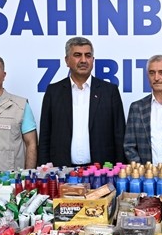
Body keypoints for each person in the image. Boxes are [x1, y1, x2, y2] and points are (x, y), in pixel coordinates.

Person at [39, 37, 126, 166]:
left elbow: (120, 136)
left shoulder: (109, 91)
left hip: (100, 172)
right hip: (63, 171)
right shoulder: (54, 92)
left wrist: (120, 170)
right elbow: (45, 136)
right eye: (77, 55)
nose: (84, 60)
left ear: (93, 60)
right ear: (67, 60)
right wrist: (44, 169)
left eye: (88, 55)